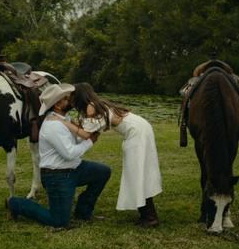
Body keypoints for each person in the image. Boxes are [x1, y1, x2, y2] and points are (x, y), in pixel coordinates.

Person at [52, 83, 162, 227]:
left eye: (71, 96)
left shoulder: (91, 107)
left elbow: (85, 134)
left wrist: (62, 121)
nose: (70, 100)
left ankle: (150, 217)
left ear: (79, 96)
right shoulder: (95, 104)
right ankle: (147, 214)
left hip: (136, 132)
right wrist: (71, 122)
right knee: (138, 172)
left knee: (136, 172)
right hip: (141, 127)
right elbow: (86, 129)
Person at [6, 83, 111, 229]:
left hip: (73, 168)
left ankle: (83, 212)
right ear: (57, 105)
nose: (71, 100)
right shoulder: (53, 125)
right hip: (57, 176)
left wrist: (90, 130)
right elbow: (69, 153)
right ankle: (15, 203)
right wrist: (90, 141)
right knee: (59, 221)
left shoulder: (64, 118)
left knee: (103, 172)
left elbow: (75, 141)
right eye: (67, 99)